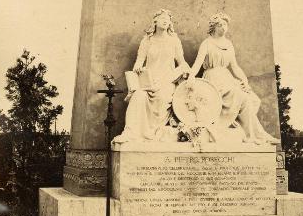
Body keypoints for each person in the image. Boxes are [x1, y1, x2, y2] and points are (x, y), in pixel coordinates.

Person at [187, 12, 279, 145]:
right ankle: (255, 134)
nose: (223, 27)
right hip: (213, 79)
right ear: (214, 27)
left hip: (227, 77)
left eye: (225, 25)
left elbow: (235, 67)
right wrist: (191, 77)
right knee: (238, 94)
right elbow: (196, 64)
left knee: (248, 98)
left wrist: (245, 81)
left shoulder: (228, 44)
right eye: (220, 25)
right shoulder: (206, 43)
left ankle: (255, 135)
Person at [113, 9, 189, 143]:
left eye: (168, 19)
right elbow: (139, 61)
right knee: (138, 97)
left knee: (161, 98)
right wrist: (137, 68)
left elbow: (182, 62)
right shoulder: (147, 40)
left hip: (167, 82)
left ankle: (154, 134)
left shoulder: (174, 40)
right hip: (148, 81)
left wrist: (186, 72)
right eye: (162, 18)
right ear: (155, 21)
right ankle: (130, 133)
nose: (166, 21)